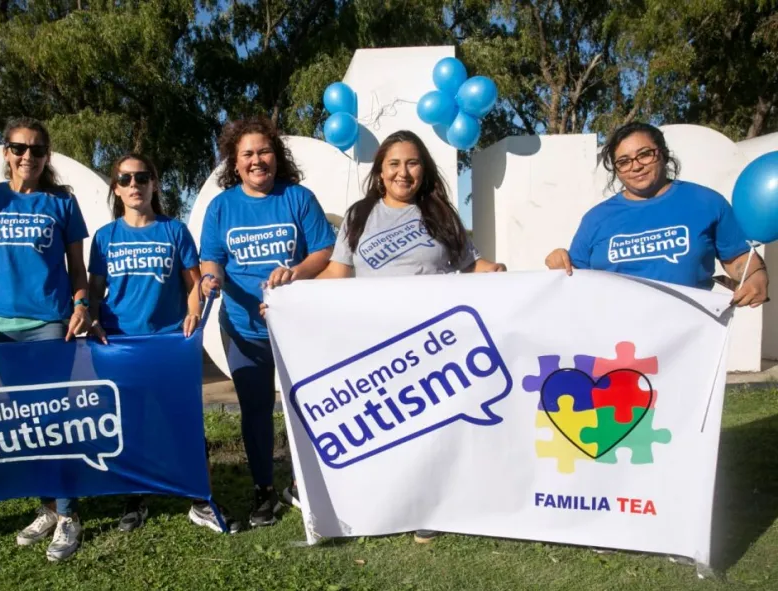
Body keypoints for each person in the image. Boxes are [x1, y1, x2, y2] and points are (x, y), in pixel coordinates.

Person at [263, 129, 506, 544]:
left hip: (433, 343)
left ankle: (430, 507)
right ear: (379, 172)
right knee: (390, 428)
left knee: (430, 427)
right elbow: (337, 275)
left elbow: (471, 266)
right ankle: (385, 505)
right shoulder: (359, 216)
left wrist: (499, 273)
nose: (403, 172)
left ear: (423, 170)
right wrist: (289, 298)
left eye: (412, 163)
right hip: (378, 346)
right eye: (393, 164)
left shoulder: (442, 214)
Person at [0, 117, 91, 561]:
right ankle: (47, 507)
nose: (27, 156)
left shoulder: (61, 203)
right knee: (25, 421)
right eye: (18, 147)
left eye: (36, 149)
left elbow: (77, 269)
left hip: (50, 322)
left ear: (47, 156)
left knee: (54, 416)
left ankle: (69, 515)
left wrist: (81, 304)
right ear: (6, 151)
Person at [86, 153, 240, 534]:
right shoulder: (105, 238)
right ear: (116, 188)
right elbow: (93, 291)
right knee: (130, 425)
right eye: (125, 179)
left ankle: (200, 498)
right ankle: (135, 499)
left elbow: (194, 284)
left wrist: (193, 312)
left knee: (183, 421)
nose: (134, 184)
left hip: (169, 344)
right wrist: (89, 318)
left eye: (142, 177)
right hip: (119, 347)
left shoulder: (174, 231)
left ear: (154, 184)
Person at [200, 116, 336, 527]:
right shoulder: (222, 206)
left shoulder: (298, 198)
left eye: (264, 151)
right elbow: (212, 258)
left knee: (308, 404)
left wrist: (294, 275)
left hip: (297, 325)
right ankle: (265, 492)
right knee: (255, 410)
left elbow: (324, 252)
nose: (257, 160)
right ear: (234, 162)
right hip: (242, 327)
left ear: (277, 157)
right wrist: (211, 278)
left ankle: (308, 482)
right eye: (247, 154)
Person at [544, 122, 768, 306]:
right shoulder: (596, 219)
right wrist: (559, 260)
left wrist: (756, 278)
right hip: (615, 343)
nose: (636, 166)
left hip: (690, 338)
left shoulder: (706, 202)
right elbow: (574, 280)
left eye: (645, 154)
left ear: (663, 154)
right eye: (624, 161)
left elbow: (738, 259)